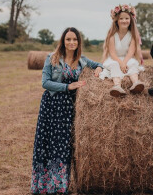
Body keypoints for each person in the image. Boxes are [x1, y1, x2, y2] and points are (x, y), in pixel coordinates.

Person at [31, 27, 103, 194]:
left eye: (75, 40)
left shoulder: (82, 61)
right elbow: (45, 82)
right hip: (52, 105)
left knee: (63, 146)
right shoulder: (53, 58)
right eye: (68, 39)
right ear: (63, 41)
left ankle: (59, 185)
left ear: (79, 42)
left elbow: (99, 65)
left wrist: (98, 69)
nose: (72, 42)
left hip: (69, 108)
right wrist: (67, 86)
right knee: (47, 144)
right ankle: (43, 186)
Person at [99, 4, 145, 97]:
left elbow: (131, 52)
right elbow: (112, 53)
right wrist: (121, 63)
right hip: (114, 58)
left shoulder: (132, 35)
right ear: (117, 21)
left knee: (132, 63)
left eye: (127, 18)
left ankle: (136, 83)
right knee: (114, 65)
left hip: (127, 58)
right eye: (121, 19)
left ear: (131, 20)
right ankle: (117, 86)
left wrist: (125, 62)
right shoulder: (112, 35)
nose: (124, 21)